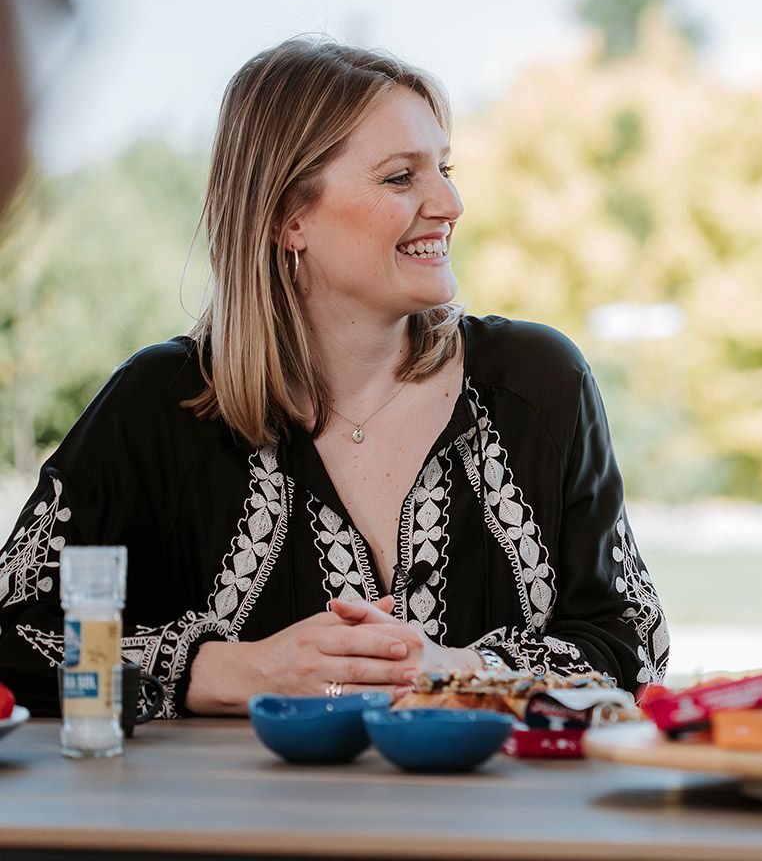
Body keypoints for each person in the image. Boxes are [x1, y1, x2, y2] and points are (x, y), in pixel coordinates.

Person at [0, 38, 669, 717]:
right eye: (400, 178)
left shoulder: (540, 382)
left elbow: (632, 643)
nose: (450, 202)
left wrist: (461, 670)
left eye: (444, 167)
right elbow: (14, 635)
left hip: (498, 825)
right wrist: (237, 669)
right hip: (221, 826)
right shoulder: (157, 405)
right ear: (290, 218)